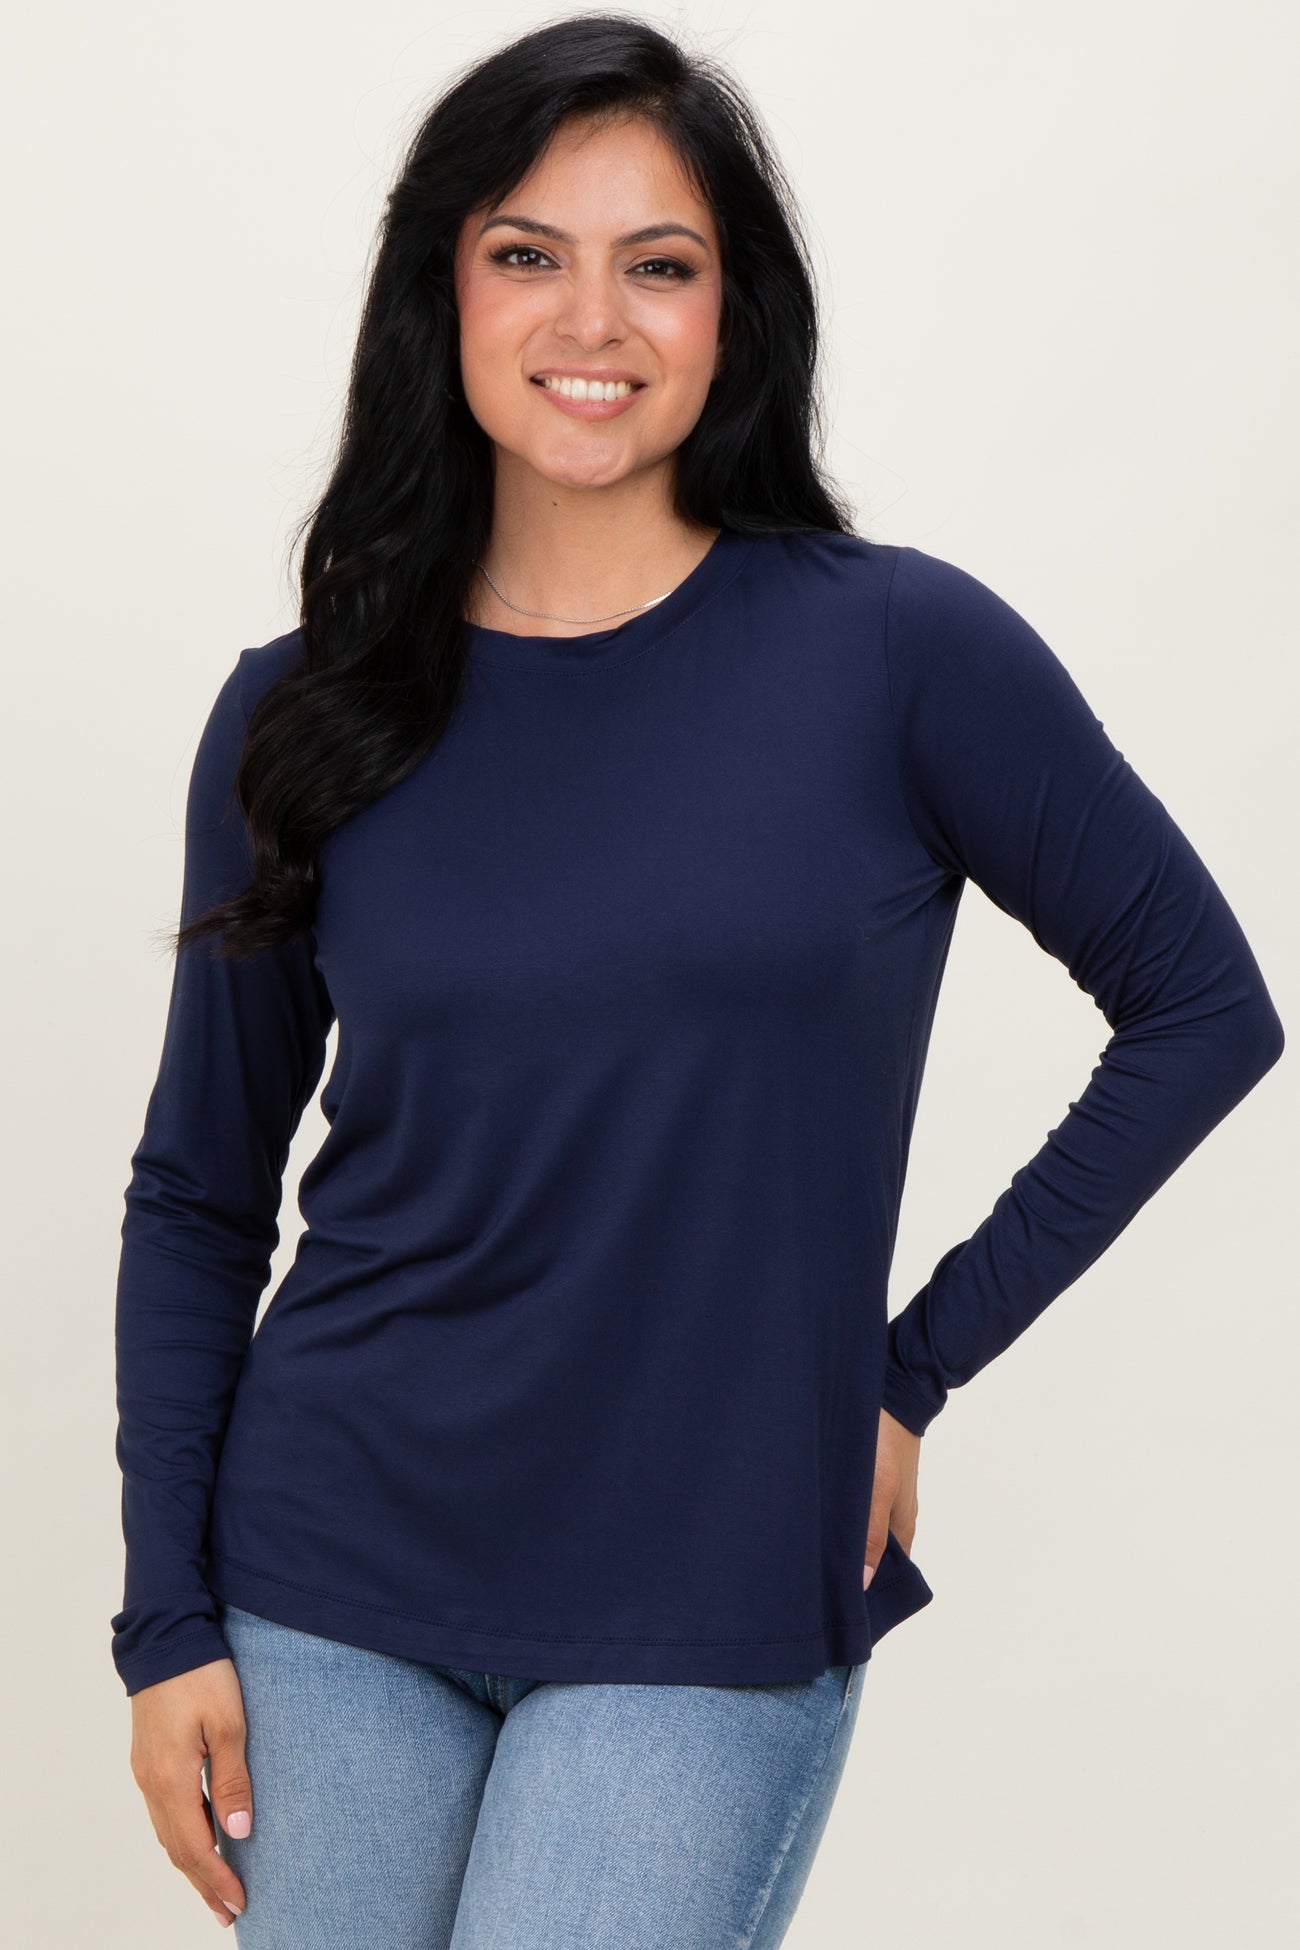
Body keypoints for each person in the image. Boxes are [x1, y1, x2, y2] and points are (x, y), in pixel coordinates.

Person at [111, 15, 1285, 1948]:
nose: (594, 320)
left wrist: (909, 1369)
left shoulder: (897, 653)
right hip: (329, 1569)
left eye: (657, 263)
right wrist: (166, 1620)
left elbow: (1203, 1007)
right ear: (442, 288)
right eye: (527, 253)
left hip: (714, 1579)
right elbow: (198, 1191)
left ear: (734, 310)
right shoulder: (302, 707)